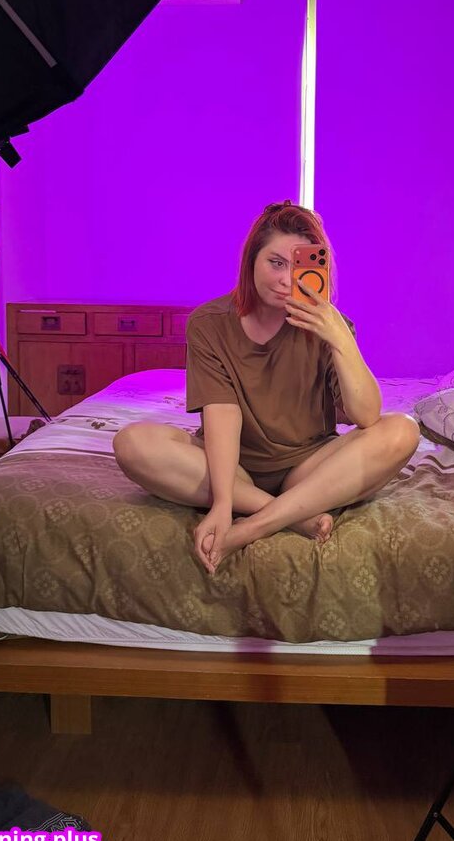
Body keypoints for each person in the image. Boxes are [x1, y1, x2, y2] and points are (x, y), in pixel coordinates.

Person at [113, 201, 419, 574]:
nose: (286, 279)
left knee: (402, 429)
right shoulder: (209, 324)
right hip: (230, 469)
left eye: (298, 267)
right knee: (132, 443)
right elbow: (222, 412)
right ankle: (291, 513)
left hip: (307, 468)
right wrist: (222, 503)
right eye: (275, 263)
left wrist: (340, 338)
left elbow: (366, 416)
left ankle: (256, 523)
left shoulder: (330, 327)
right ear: (251, 261)